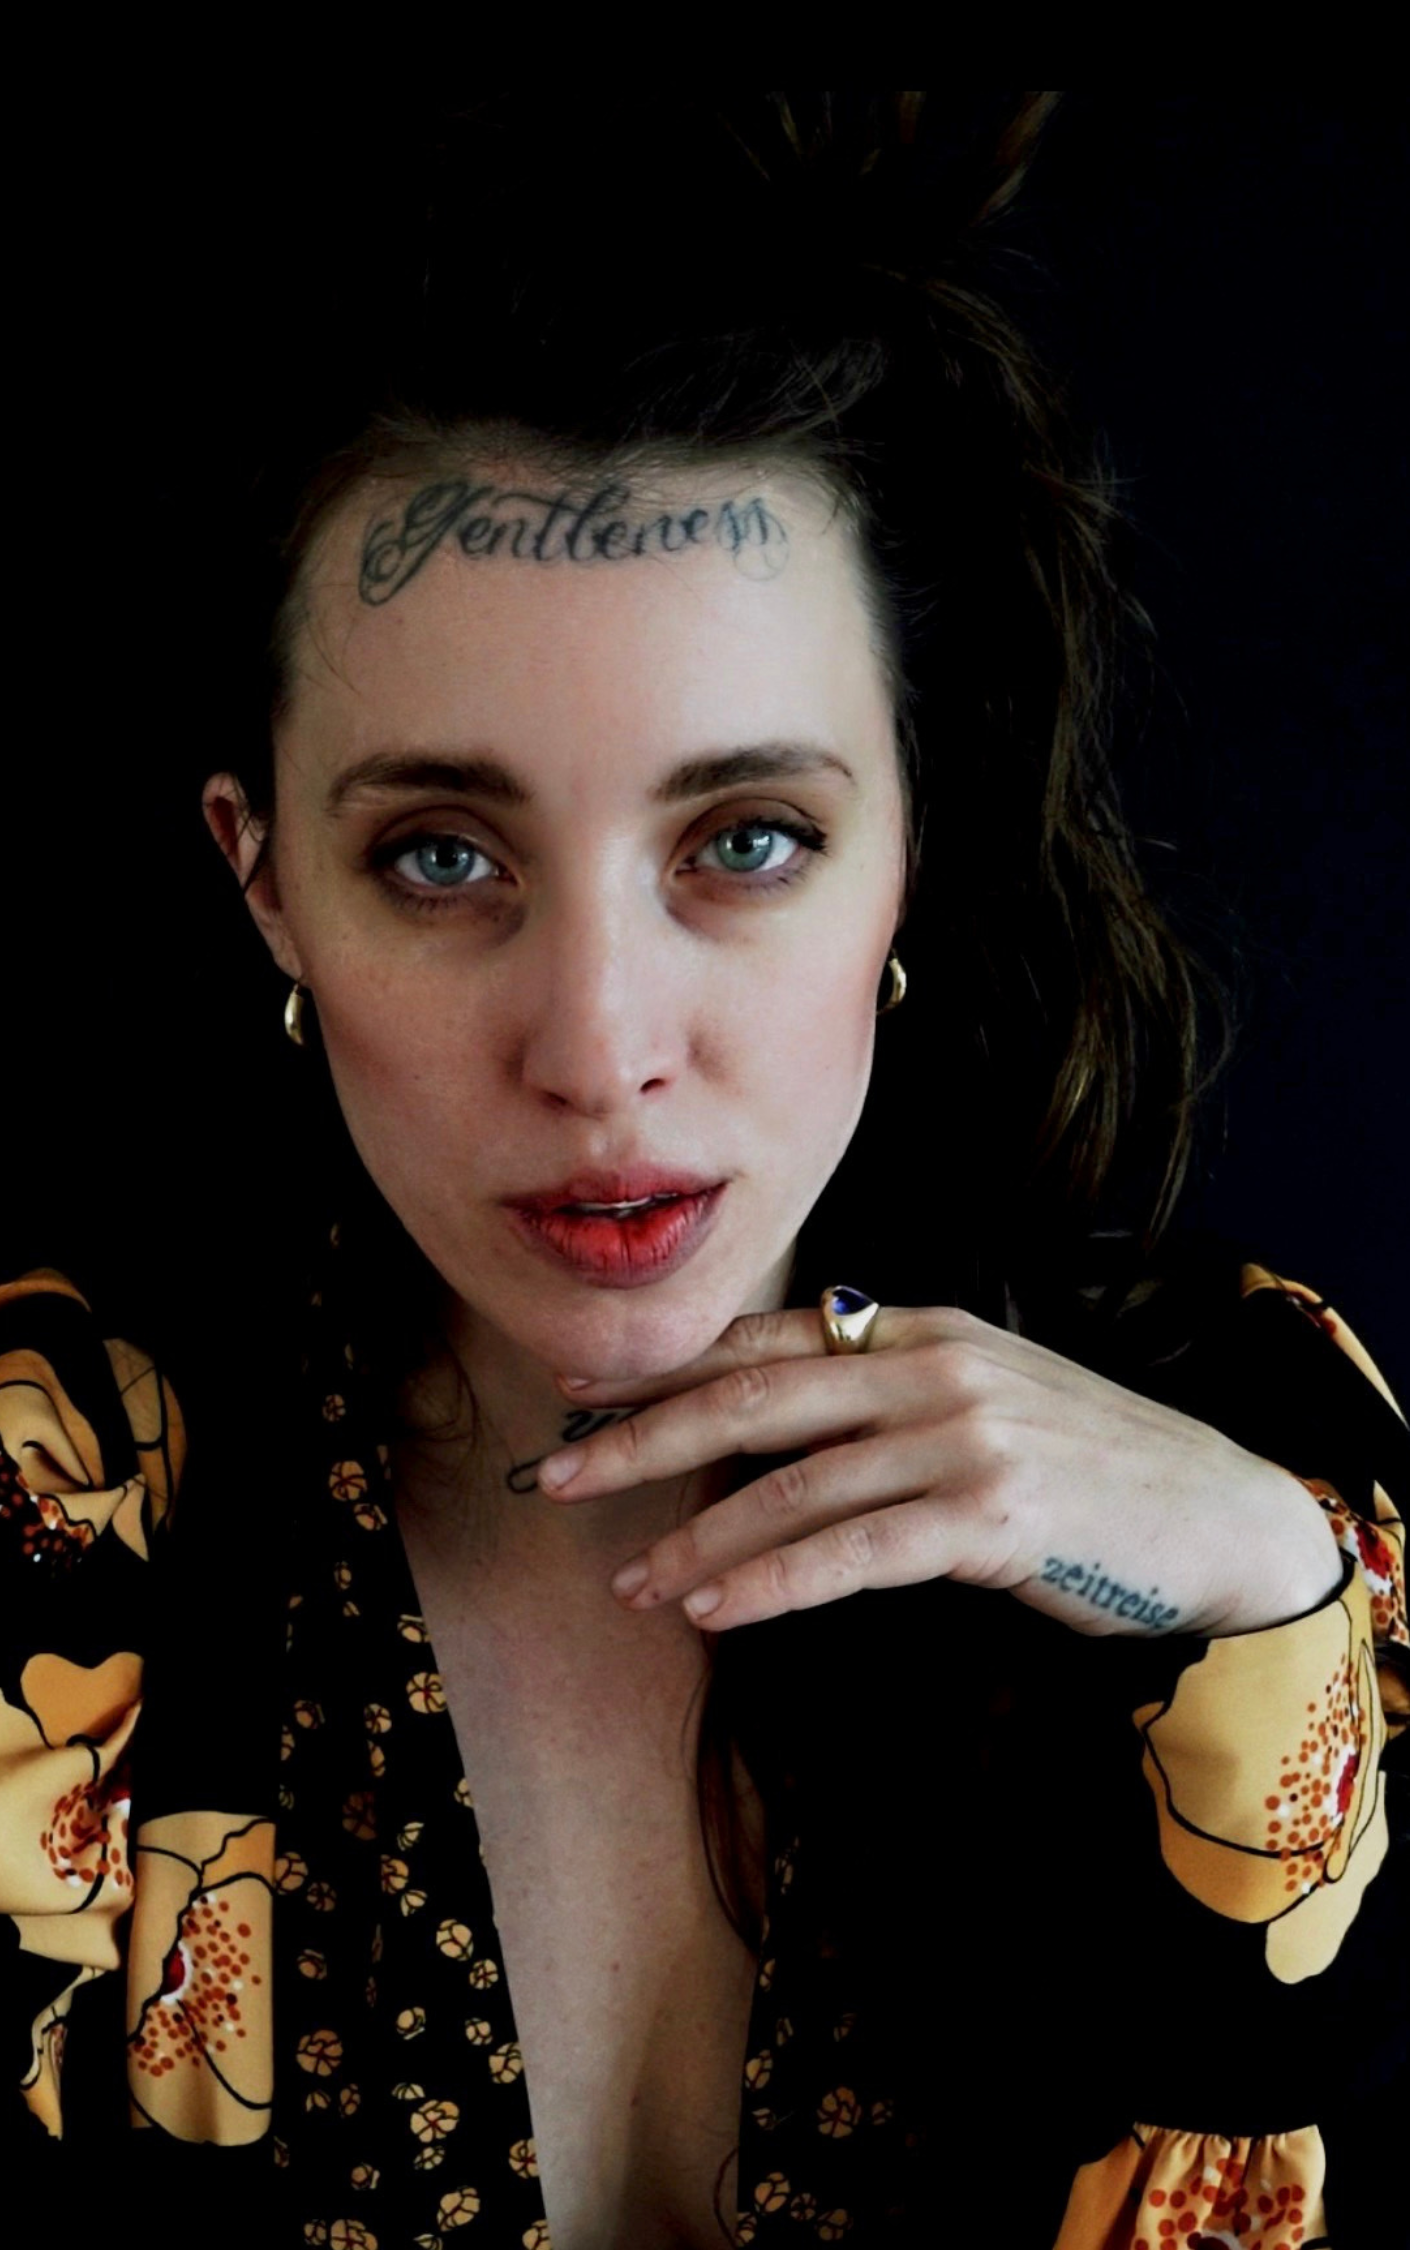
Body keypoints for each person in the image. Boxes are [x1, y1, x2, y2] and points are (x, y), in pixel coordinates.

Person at [4, 93, 1405, 2246]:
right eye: (441, 857)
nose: (599, 1051)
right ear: (264, 880)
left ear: (910, 848)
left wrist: (1253, 1607)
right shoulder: (65, 1503)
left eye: (745, 839)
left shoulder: (1253, 1452)